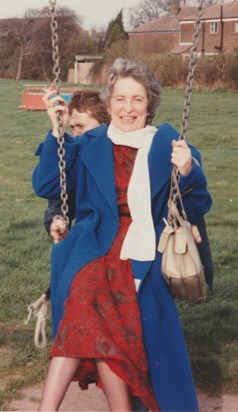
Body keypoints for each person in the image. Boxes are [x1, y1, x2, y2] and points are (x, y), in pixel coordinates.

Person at [32, 58, 212, 412]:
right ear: (109, 101)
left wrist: (188, 169)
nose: (128, 109)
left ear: (150, 103)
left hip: (144, 246)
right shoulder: (90, 143)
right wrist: (57, 132)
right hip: (95, 244)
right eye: (120, 99)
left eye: (137, 99)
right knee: (88, 300)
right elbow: (48, 185)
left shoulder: (166, 143)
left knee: (93, 311)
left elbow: (199, 202)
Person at [43, 89, 111, 242]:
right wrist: (56, 219)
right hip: (91, 239)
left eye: (81, 126)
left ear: (104, 124)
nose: (76, 134)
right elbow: (58, 199)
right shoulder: (76, 156)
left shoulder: (118, 154)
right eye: (72, 128)